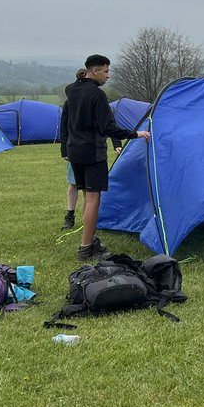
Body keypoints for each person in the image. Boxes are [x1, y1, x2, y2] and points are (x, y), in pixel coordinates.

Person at [61, 54, 150, 262]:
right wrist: (136, 134)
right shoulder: (97, 96)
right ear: (94, 71)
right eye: (106, 71)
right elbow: (108, 127)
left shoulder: (71, 90)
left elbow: (66, 120)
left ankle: (90, 239)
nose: (108, 76)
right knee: (93, 199)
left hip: (75, 152)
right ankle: (86, 248)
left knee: (86, 197)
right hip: (93, 153)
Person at [61, 69, 86, 230]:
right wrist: (64, 150)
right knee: (74, 184)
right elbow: (64, 127)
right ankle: (70, 216)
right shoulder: (70, 102)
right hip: (74, 147)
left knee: (89, 188)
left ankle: (88, 220)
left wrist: (116, 142)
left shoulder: (94, 99)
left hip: (90, 148)